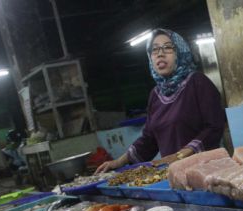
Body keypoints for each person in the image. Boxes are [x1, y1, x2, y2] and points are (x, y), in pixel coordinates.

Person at [95, 29, 226, 174]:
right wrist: (118, 162)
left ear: (180, 53)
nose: (160, 53)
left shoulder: (197, 82)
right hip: (174, 175)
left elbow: (214, 126)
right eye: (154, 49)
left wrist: (182, 155)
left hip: (207, 172)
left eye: (168, 47)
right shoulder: (155, 95)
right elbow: (149, 140)